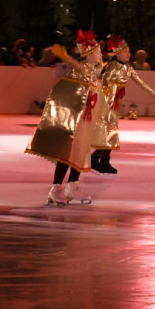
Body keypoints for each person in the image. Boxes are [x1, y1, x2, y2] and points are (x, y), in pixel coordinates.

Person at [25, 30, 108, 205]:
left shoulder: (95, 71)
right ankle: (56, 189)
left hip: (86, 120)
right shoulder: (85, 70)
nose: (101, 53)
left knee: (80, 154)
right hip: (76, 121)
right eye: (98, 51)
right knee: (69, 153)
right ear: (89, 55)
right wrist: (66, 57)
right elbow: (80, 68)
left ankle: (72, 186)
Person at [94, 36, 155, 174]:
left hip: (117, 103)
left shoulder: (128, 68)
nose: (129, 54)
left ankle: (96, 158)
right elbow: (104, 82)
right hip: (109, 102)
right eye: (126, 52)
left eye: (129, 52)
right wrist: (107, 93)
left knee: (111, 132)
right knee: (112, 132)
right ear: (118, 53)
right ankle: (103, 161)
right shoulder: (111, 66)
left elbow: (141, 83)